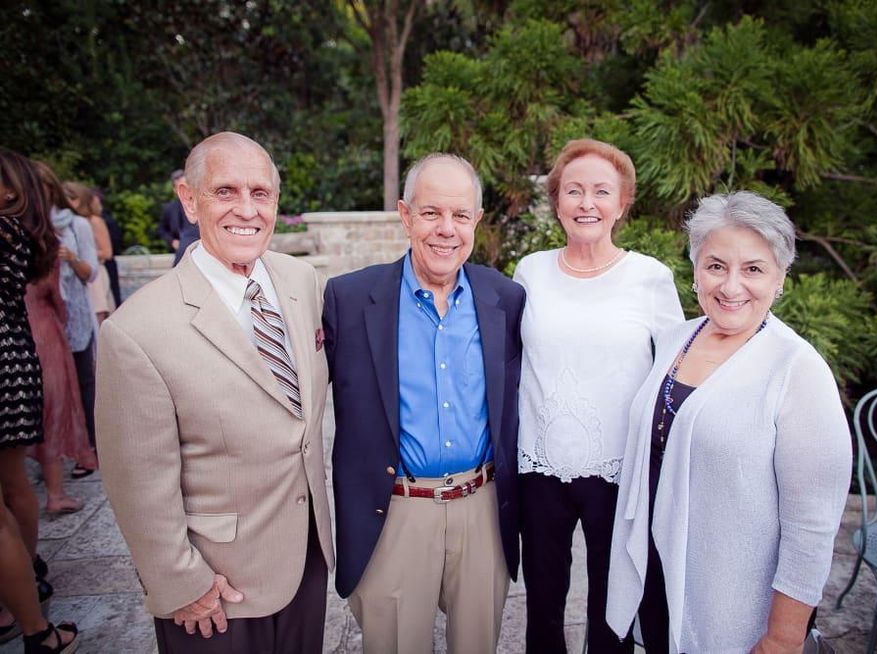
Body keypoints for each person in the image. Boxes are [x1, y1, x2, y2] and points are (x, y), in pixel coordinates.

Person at [95, 132, 334, 653]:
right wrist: (181, 583)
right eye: (225, 191)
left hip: (306, 558)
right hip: (216, 588)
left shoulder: (302, 282)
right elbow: (136, 481)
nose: (246, 209)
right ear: (189, 199)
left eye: (261, 193)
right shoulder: (137, 330)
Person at [606, 191, 852, 653]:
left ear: (780, 279)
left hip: (733, 608)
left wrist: (782, 638)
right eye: (716, 265)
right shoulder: (674, 341)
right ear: (696, 269)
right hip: (659, 579)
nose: (731, 286)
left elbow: (812, 526)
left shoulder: (797, 369)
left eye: (753, 269)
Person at [323, 153, 525, 654]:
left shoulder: (506, 299)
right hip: (395, 512)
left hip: (481, 511)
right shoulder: (348, 300)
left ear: (476, 221)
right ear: (405, 215)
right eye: (431, 212)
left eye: (460, 215)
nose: (446, 229)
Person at [514, 138, 684, 653]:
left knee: (614, 603)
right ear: (558, 201)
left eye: (601, 192)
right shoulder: (530, 271)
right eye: (574, 191)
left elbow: (675, 374)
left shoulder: (650, 277)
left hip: (620, 469)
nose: (587, 203)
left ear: (622, 203)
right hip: (540, 467)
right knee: (542, 600)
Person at [0, 147, 80, 653]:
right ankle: (24, 588)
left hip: (5, 361)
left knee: (9, 486)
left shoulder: (5, 231)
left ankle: (29, 618)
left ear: (10, 189)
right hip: (13, 355)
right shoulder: (21, 232)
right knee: (10, 484)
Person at [33, 163, 99, 478]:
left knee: (83, 382)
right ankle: (50, 455)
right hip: (38, 316)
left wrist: (69, 258)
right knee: (46, 388)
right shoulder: (25, 225)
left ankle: (90, 449)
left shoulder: (76, 225)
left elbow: (92, 273)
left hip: (75, 315)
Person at [25, 260, 98, 514]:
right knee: (53, 410)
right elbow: (57, 299)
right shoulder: (41, 252)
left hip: (14, 334)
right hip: (43, 331)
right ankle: (55, 493)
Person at [63, 181, 115, 323]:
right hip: (77, 275)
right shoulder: (67, 223)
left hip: (96, 274)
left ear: (76, 200)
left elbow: (107, 252)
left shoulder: (94, 221)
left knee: (99, 317)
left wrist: (81, 255)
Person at [158, 168, 199, 265]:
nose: (186, 190)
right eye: (181, 187)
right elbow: (161, 229)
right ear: (175, 190)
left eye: (187, 186)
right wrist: (172, 241)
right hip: (181, 250)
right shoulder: (170, 208)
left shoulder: (201, 204)